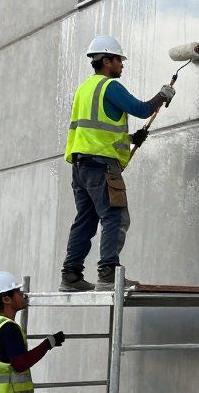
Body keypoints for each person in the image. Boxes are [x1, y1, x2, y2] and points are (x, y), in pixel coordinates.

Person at [59, 34, 175, 291]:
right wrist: (162, 94)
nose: (122, 65)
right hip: (101, 166)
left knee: (85, 221)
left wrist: (132, 138)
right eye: (119, 61)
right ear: (107, 60)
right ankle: (108, 273)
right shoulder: (109, 86)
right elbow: (143, 110)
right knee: (115, 216)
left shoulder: (84, 89)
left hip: (80, 168)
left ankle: (70, 276)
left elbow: (97, 131)